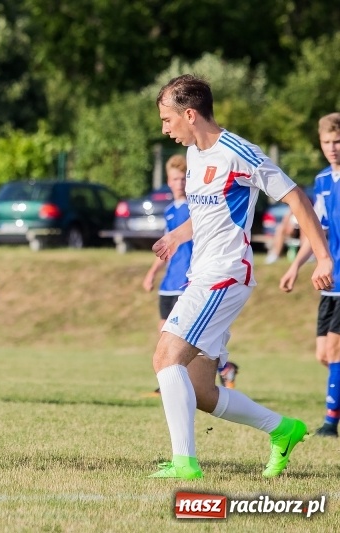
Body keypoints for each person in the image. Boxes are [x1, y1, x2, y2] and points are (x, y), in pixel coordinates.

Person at [149, 74, 333, 479]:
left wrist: (322, 259)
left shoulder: (238, 152)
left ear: (190, 114)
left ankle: (184, 464)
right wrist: (178, 236)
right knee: (199, 391)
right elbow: (208, 214)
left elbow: (295, 196)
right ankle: (283, 430)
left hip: (225, 275)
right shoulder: (197, 153)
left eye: (167, 119)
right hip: (204, 274)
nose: (164, 129)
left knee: (165, 358)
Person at [142, 155, 238, 396]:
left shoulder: (194, 209)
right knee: (165, 330)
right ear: (168, 180)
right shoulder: (170, 211)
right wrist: (152, 273)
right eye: (174, 179)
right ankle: (177, 377)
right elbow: (166, 246)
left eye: (182, 178)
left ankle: (217, 369)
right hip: (169, 283)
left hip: (188, 280)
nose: (179, 184)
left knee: (186, 335)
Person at [279, 112, 340, 438]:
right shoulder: (322, 182)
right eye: (327, 142)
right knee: (323, 356)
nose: (333, 148)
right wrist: (294, 266)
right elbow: (318, 232)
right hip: (329, 282)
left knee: (335, 353)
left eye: (338, 141)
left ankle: (330, 423)